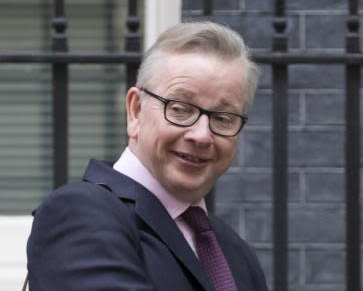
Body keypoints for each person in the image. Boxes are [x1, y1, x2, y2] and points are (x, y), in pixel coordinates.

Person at [27, 21, 269, 291]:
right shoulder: (79, 214)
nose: (201, 135)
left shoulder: (236, 252)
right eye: (180, 109)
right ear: (136, 111)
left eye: (223, 118)